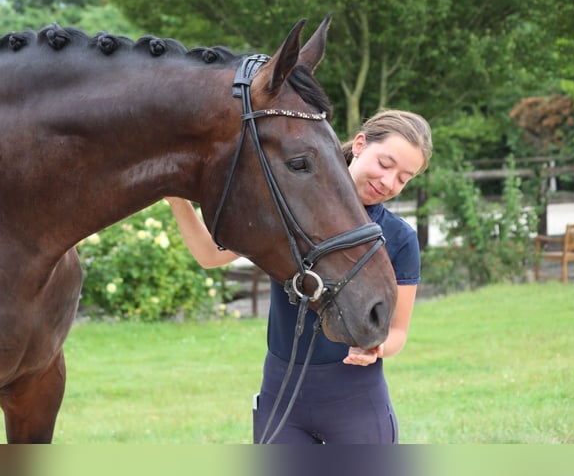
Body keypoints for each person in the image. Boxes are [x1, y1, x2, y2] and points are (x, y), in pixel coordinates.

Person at [166, 109, 432, 444]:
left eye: (404, 178)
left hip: (355, 401)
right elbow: (209, 255)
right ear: (361, 144)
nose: (389, 182)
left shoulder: (399, 238)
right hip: (280, 399)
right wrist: (175, 196)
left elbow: (397, 333)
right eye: (385, 164)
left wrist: (376, 348)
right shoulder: (288, 212)